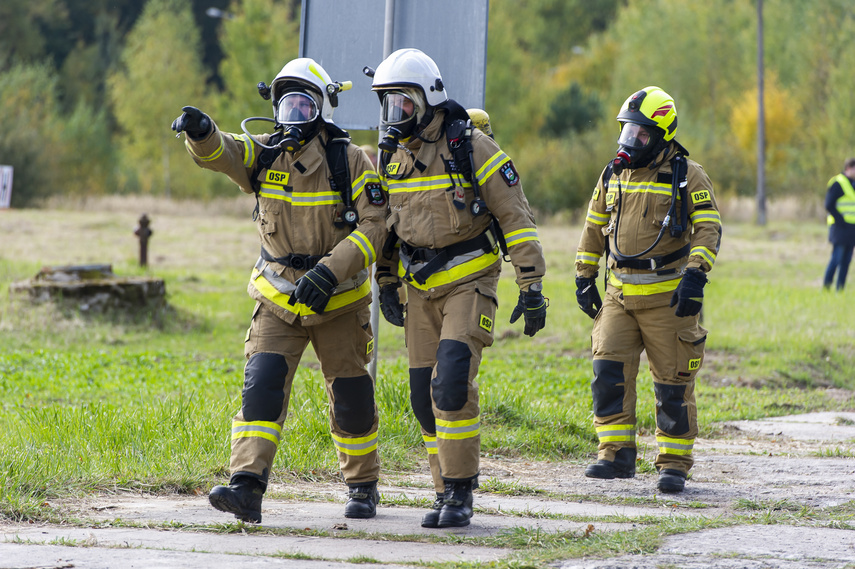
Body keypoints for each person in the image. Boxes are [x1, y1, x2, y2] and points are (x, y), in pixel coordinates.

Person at [171, 58, 388, 522]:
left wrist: (329, 272)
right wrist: (202, 131)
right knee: (261, 388)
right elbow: (226, 153)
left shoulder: (348, 160)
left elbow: (375, 226)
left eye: (303, 105)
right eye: (286, 104)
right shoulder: (266, 152)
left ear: (322, 110)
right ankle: (246, 487)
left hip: (339, 300)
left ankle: (363, 484)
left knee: (351, 398)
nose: (292, 115)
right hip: (277, 298)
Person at [370, 48, 547, 527]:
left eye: (402, 103)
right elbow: (387, 226)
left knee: (449, 386)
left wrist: (531, 284)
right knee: (419, 396)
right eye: (386, 105)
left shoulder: (470, 146)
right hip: (419, 289)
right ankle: (442, 488)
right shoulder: (391, 157)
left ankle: (461, 493)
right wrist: (387, 281)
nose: (394, 116)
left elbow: (516, 216)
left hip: (470, 281)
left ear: (427, 99)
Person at [575, 86, 722, 493]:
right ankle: (615, 454)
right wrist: (584, 276)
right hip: (619, 294)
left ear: (662, 134)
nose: (630, 141)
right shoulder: (612, 173)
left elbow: (709, 227)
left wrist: (696, 275)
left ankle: (673, 463)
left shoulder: (687, 174)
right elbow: (592, 227)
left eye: (640, 134)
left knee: (672, 383)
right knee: (608, 373)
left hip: (667, 298)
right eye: (627, 132)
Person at [823, 157, 855, 291]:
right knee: (836, 258)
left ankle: (839, 289)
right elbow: (829, 205)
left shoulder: (853, 184)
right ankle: (826, 286)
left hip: (852, 228)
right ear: (848, 168)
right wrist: (840, 220)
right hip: (840, 228)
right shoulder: (838, 183)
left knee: (846, 261)